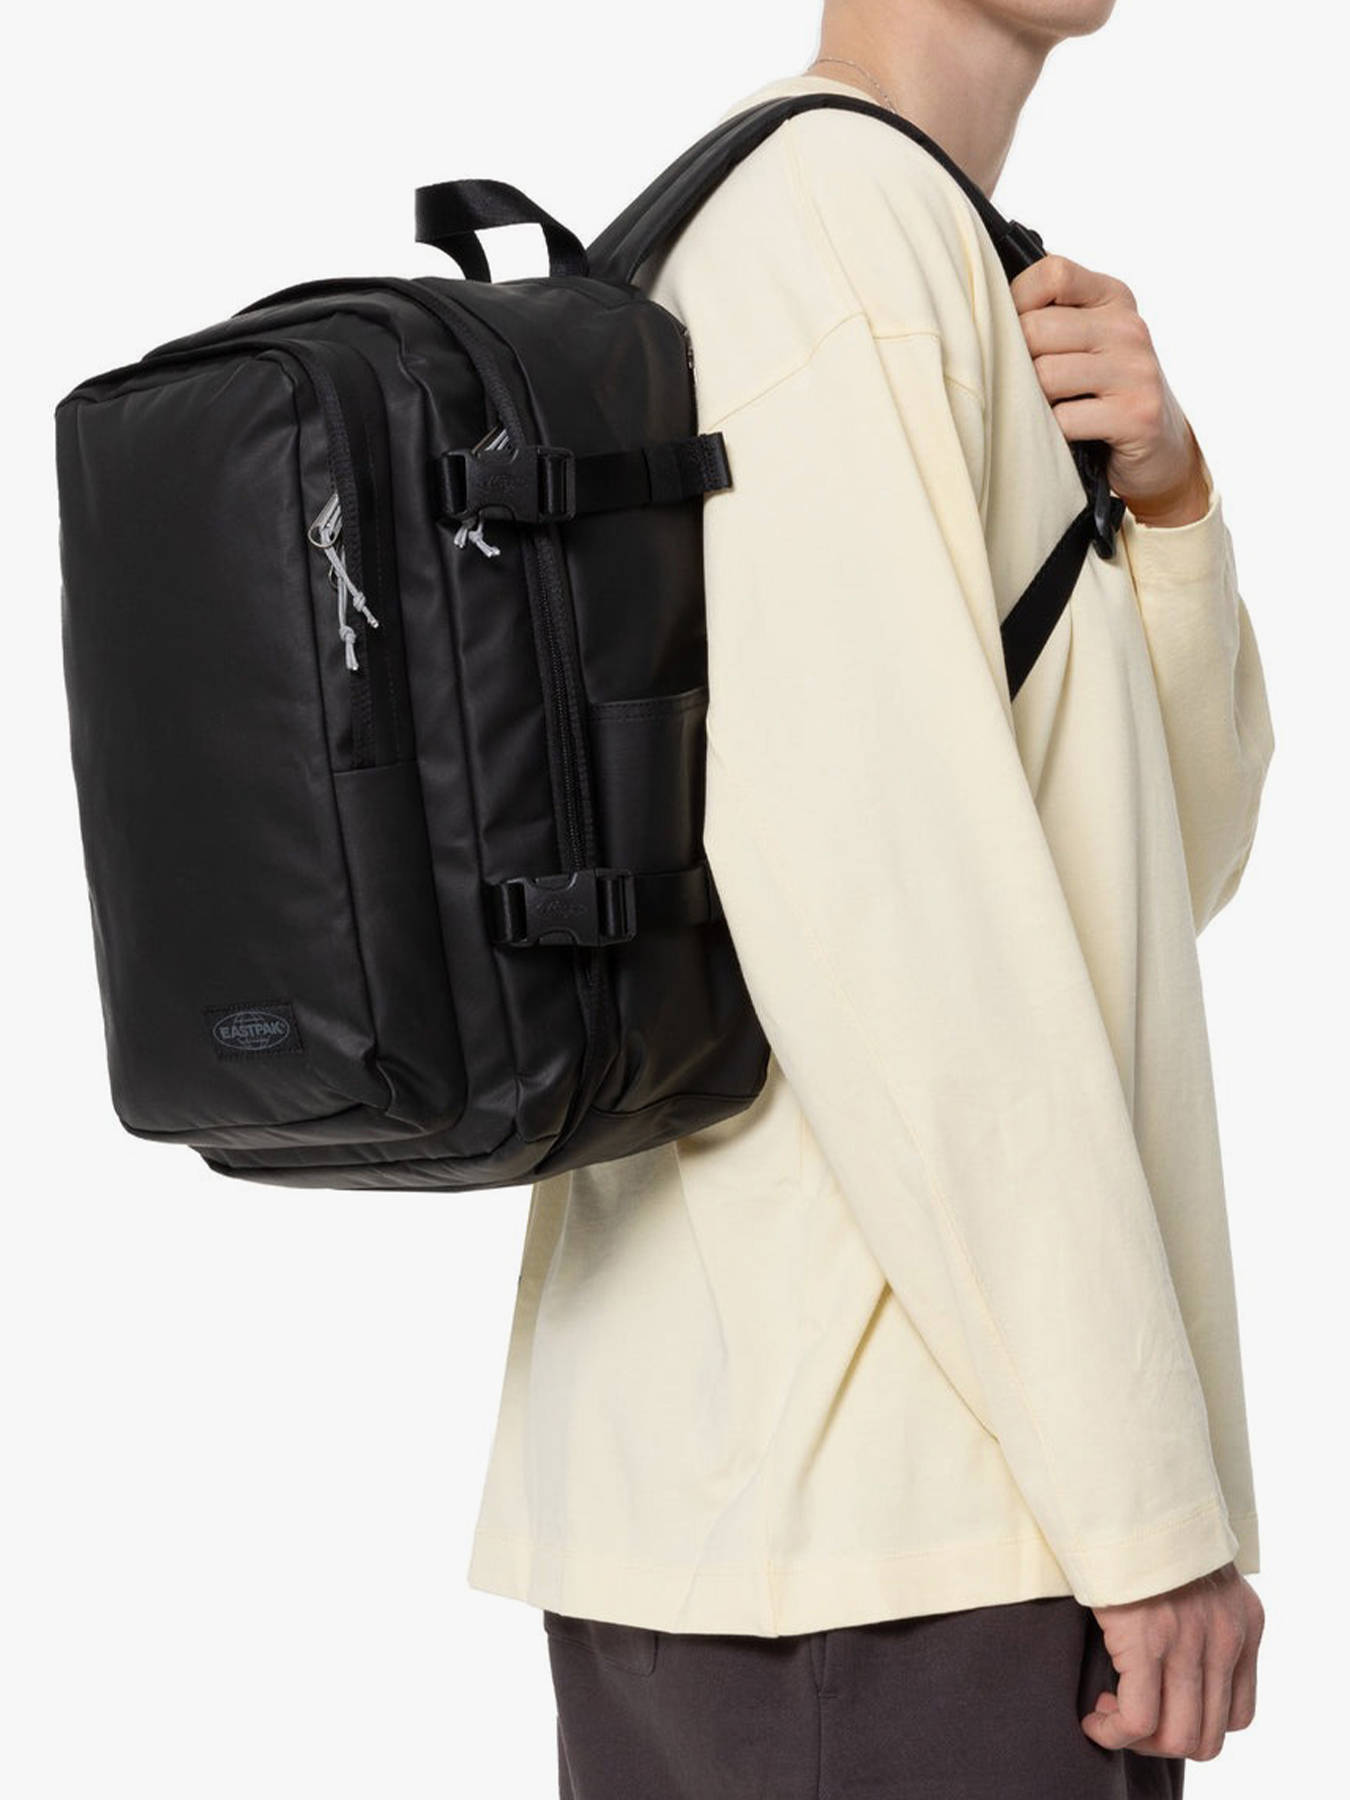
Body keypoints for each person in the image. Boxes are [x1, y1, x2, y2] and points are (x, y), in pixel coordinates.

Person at [466, 2, 1275, 1793]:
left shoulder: (914, 238)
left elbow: (1159, 871)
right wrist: (1148, 1502)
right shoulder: (833, 230)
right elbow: (904, 933)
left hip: (889, 1508)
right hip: (887, 1528)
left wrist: (1165, 502)